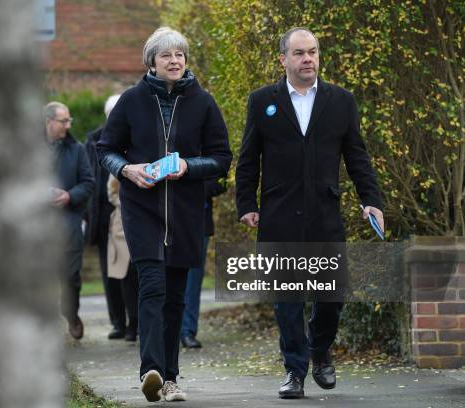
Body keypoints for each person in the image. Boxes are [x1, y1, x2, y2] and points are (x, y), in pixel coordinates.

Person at [235, 27, 384, 399]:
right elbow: (248, 158)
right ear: (283, 59)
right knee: (287, 300)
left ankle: (320, 350)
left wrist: (372, 200)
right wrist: (247, 205)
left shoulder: (341, 101)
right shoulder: (261, 101)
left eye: (313, 52)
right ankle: (294, 371)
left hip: (324, 213)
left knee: (331, 296)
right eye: (299, 53)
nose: (308, 59)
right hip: (279, 213)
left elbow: (358, 157)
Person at [96, 27, 232, 403]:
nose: (175, 62)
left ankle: (170, 379)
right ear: (151, 62)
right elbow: (106, 148)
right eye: (167, 56)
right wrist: (127, 169)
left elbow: (222, 159)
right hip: (142, 209)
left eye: (180, 55)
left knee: (175, 297)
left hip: (186, 213)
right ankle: (150, 371)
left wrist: (189, 165)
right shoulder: (131, 101)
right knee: (152, 286)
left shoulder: (203, 102)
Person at [46, 101, 94, 340]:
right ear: (48, 122)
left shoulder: (77, 150)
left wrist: (69, 196)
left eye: (69, 120)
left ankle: (71, 314)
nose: (68, 125)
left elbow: (88, 183)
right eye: (63, 121)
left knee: (70, 277)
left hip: (69, 222)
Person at [85, 94, 130, 340]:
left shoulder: (133, 135)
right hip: (103, 214)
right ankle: (117, 322)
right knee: (109, 272)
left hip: (127, 213)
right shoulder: (93, 140)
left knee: (131, 272)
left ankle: (134, 323)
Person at [180, 178, 226, 349]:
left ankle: (187, 331)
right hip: (165, 219)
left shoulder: (205, 151)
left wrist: (192, 185)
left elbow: (222, 181)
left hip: (198, 220)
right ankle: (165, 331)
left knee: (193, 279)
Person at [106, 174, 139, 342]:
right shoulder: (119, 162)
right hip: (123, 223)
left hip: (150, 220)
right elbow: (112, 191)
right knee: (126, 275)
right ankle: (131, 323)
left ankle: (139, 323)